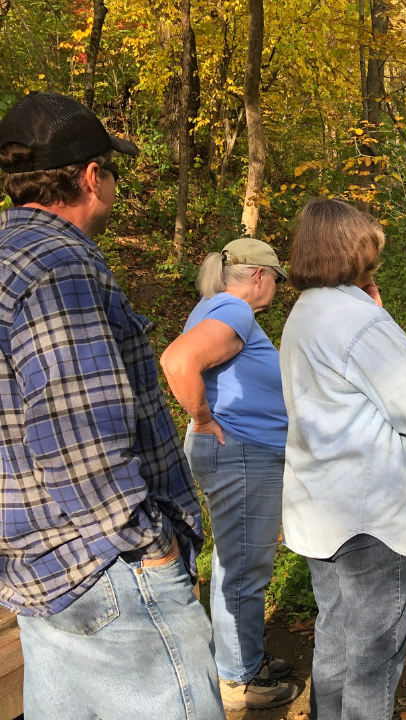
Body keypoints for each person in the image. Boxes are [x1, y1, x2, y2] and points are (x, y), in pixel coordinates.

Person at [0, 93, 225, 718]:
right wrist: (149, 546)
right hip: (107, 571)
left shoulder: (7, 257)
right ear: (91, 177)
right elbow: (78, 435)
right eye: (114, 170)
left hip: (36, 565)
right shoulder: (60, 266)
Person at [279, 197, 406, 720]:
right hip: (369, 516)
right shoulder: (361, 320)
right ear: (353, 250)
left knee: (335, 636)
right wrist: (381, 315)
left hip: (319, 504)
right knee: (374, 653)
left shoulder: (303, 312)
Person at [160, 238, 298, 711]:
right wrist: (202, 417)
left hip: (238, 452)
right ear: (258, 276)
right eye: (277, 279)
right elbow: (178, 362)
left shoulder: (212, 307)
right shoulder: (234, 311)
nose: (277, 288)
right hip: (239, 452)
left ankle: (241, 660)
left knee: (233, 562)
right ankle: (238, 682)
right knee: (244, 567)